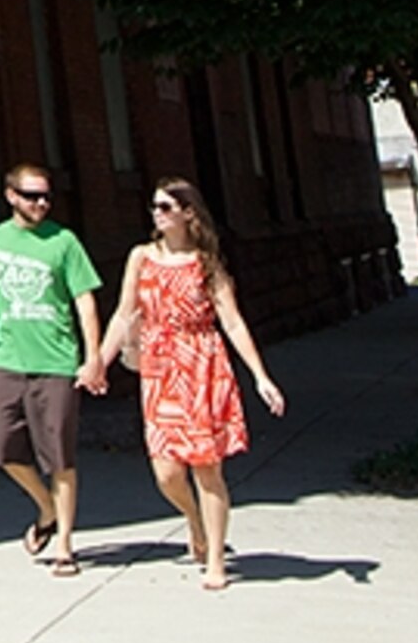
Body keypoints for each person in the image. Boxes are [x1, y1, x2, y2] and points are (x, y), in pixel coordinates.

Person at [91, 176, 285, 589]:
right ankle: (193, 520)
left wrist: (261, 377)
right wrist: (99, 363)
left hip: (202, 368)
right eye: (155, 207)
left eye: (165, 207)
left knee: (207, 470)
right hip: (160, 371)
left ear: (188, 214)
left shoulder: (207, 264)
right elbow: (124, 316)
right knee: (166, 472)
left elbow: (231, 321)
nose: (157, 214)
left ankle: (215, 558)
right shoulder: (141, 258)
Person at [0, 162, 105, 574]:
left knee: (59, 455)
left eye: (46, 196)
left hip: (56, 363)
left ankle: (64, 545)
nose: (41, 203)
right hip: (7, 361)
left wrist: (92, 357)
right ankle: (46, 507)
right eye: (31, 196)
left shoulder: (64, 242)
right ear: (11, 196)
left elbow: (85, 301)